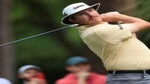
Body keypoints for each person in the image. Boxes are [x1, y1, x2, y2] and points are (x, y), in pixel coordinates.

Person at [61, 2, 150, 84]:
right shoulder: (98, 31)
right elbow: (145, 24)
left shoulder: (100, 27)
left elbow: (132, 37)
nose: (91, 14)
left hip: (135, 77)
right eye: (82, 14)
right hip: (131, 78)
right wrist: (119, 17)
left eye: (90, 10)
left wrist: (117, 19)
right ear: (73, 20)